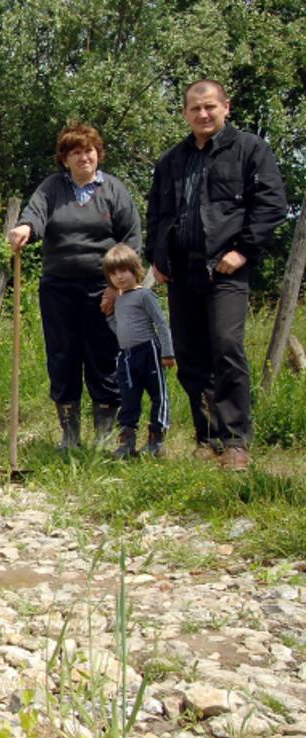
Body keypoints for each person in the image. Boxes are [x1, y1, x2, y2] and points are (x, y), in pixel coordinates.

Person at [145, 79, 288, 471]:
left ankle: (237, 441)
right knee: (191, 355)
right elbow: (157, 212)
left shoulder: (249, 150)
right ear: (185, 114)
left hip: (225, 270)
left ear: (226, 107)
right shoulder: (172, 160)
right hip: (180, 270)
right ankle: (206, 438)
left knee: (226, 347)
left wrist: (243, 251)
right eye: (195, 108)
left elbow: (273, 204)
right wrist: (156, 257)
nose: (203, 114)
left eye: (210, 106)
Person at [8, 122, 141, 451]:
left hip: (103, 288)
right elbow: (35, 215)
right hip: (59, 289)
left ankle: (104, 435)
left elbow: (132, 238)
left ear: (99, 155)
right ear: (64, 158)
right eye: (76, 152)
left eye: (90, 150)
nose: (84, 157)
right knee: (63, 358)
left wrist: (118, 286)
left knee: (103, 356)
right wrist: (24, 228)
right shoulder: (52, 188)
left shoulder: (114, 190)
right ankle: (69, 436)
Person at [102, 244, 175, 458]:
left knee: (158, 395)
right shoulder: (120, 299)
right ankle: (127, 441)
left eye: (123, 271)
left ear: (135, 270)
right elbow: (119, 328)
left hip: (149, 351)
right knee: (128, 398)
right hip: (126, 355)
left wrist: (168, 352)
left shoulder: (145, 295)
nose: (119, 277)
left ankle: (156, 440)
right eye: (113, 273)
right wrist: (109, 317)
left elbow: (161, 323)